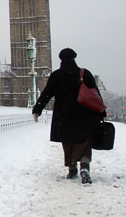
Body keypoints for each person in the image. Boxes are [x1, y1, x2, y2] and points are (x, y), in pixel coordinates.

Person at [32, 48, 104, 184]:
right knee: (85, 140)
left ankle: (72, 168)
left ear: (61, 60)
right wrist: (102, 111)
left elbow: (46, 94)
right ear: (74, 58)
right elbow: (95, 94)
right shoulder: (84, 73)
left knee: (68, 141)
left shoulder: (56, 75)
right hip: (84, 115)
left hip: (64, 115)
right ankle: (84, 165)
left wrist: (37, 109)